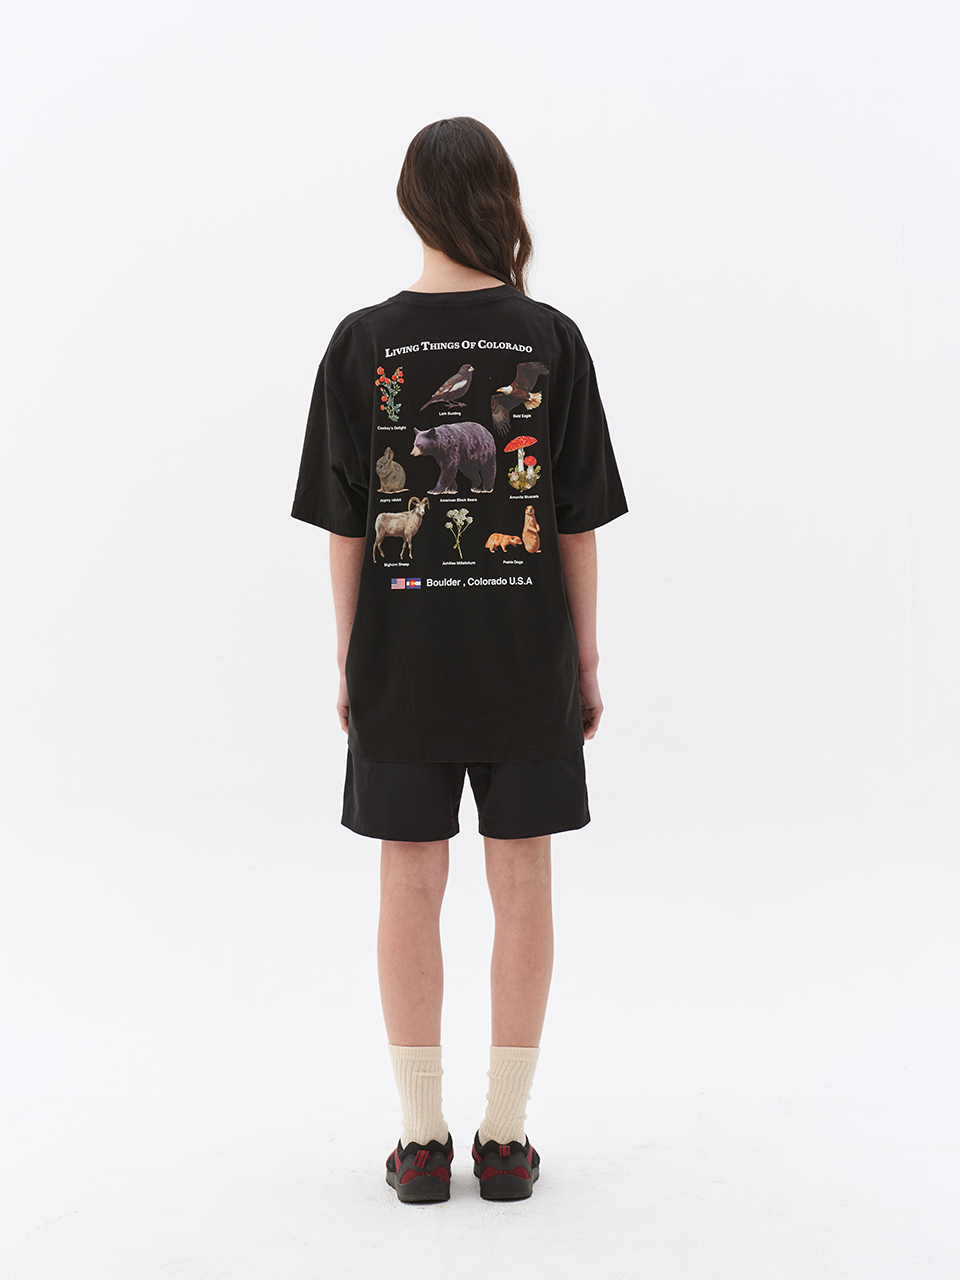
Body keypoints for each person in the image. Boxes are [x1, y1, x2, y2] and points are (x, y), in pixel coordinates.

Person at [291, 117, 628, 1203]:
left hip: (402, 657)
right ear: (501, 199)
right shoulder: (551, 338)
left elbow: (347, 524)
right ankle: (507, 1138)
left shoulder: (363, 343)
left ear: (411, 204)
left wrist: (350, 658)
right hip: (524, 658)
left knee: (408, 877)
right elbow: (574, 523)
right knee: (522, 876)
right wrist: (585, 660)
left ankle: (422, 1140)